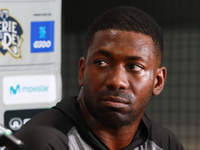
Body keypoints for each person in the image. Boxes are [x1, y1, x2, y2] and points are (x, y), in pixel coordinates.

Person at [11, 6, 184, 150]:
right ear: (82, 70)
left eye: (134, 67)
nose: (117, 81)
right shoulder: (43, 141)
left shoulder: (164, 144)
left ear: (158, 81)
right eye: (102, 63)